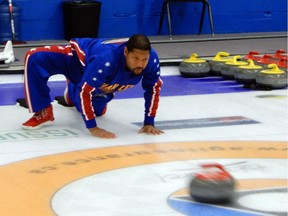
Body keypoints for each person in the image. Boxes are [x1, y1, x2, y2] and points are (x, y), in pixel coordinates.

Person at [22, 34, 164, 138]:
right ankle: (43, 110)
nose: (140, 64)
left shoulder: (151, 60)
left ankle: (73, 88)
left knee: (96, 110)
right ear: (126, 52)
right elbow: (85, 92)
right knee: (34, 57)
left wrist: (149, 122)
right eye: (135, 58)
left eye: (144, 59)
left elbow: (153, 88)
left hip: (99, 79)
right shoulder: (105, 60)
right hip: (77, 61)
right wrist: (93, 127)